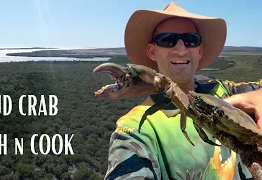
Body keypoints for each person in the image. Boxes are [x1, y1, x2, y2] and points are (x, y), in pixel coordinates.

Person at [104, 2, 262, 180]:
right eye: (168, 40)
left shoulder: (225, 90)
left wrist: (258, 97)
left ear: (199, 50)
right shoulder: (135, 129)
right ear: (152, 51)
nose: (181, 50)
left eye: (190, 40)